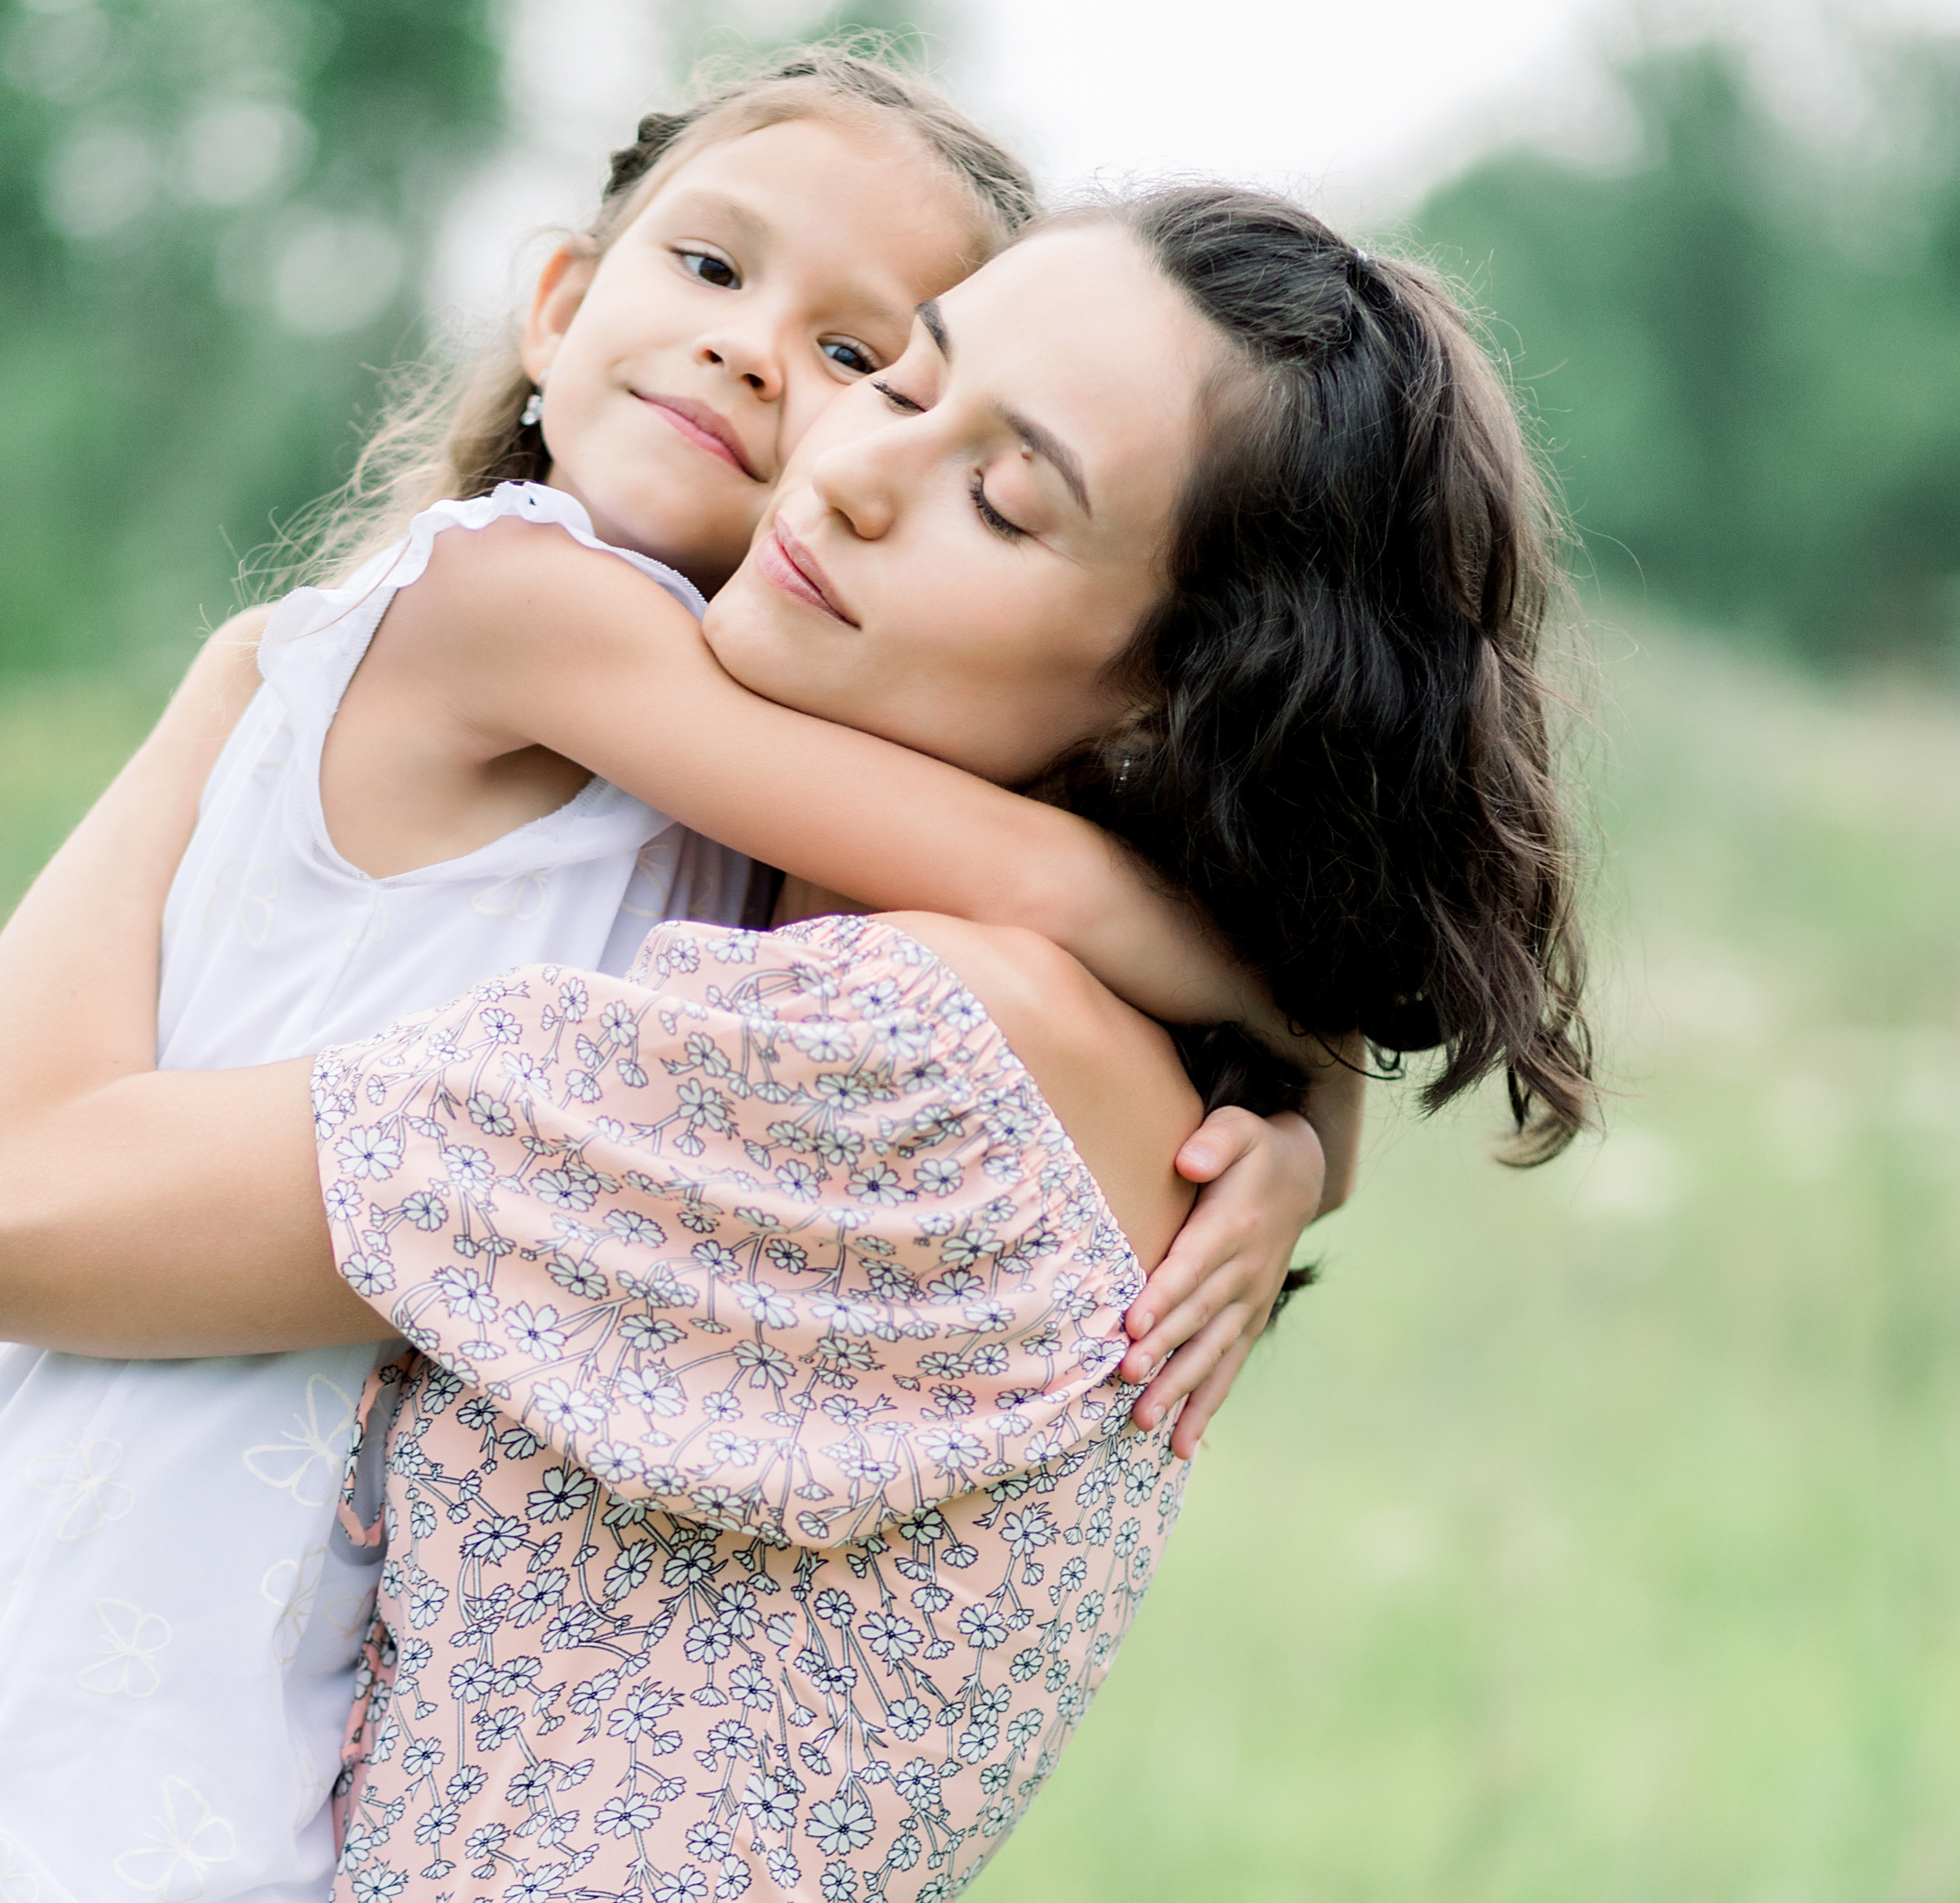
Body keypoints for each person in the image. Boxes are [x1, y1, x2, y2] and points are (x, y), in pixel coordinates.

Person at [0, 183, 1590, 1901]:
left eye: (997, 496)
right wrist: (1305, 1074)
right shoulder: (983, 1004)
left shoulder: (899, 1053)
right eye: (902, 380)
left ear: (1174, 691)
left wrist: (235, 688)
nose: (840, 464)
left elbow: (26, 1211)